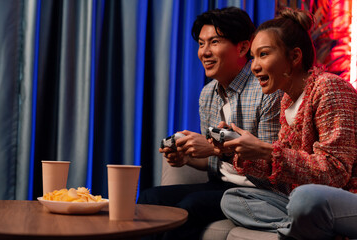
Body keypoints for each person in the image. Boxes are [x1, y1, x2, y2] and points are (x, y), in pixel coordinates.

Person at [137, 7, 283, 240]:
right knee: (149, 199)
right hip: (221, 185)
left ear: (243, 47)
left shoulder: (266, 90)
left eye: (214, 42)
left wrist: (216, 148)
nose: (204, 52)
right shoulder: (208, 94)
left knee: (189, 206)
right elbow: (216, 162)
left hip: (259, 191)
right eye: (201, 43)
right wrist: (188, 156)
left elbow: (270, 165)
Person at [219, 7, 357, 240]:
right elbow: (285, 178)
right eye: (252, 57)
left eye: (263, 54)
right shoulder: (287, 101)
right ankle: (304, 229)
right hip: (308, 200)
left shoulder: (329, 88)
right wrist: (243, 152)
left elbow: (335, 173)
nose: (253, 66)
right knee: (233, 199)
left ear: (294, 56)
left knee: (304, 198)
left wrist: (267, 151)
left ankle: (304, 227)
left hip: (345, 197)